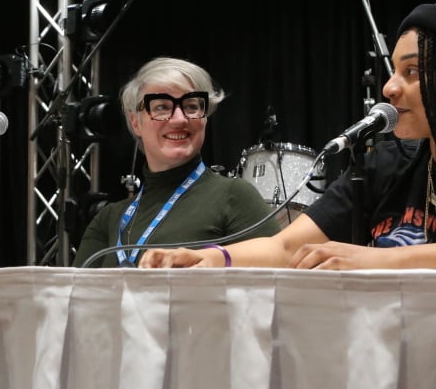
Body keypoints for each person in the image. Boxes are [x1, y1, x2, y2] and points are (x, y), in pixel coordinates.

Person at [140, 0, 436, 270]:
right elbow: (286, 245)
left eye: (414, 71)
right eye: (392, 71)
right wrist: (212, 259)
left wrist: (377, 262)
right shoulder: (386, 163)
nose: (389, 88)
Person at [73, 57, 281, 268]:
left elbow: (279, 278)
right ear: (136, 122)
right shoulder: (109, 219)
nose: (180, 119)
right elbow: (76, 297)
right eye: (162, 107)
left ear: (205, 118)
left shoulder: (234, 196)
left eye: (191, 106)